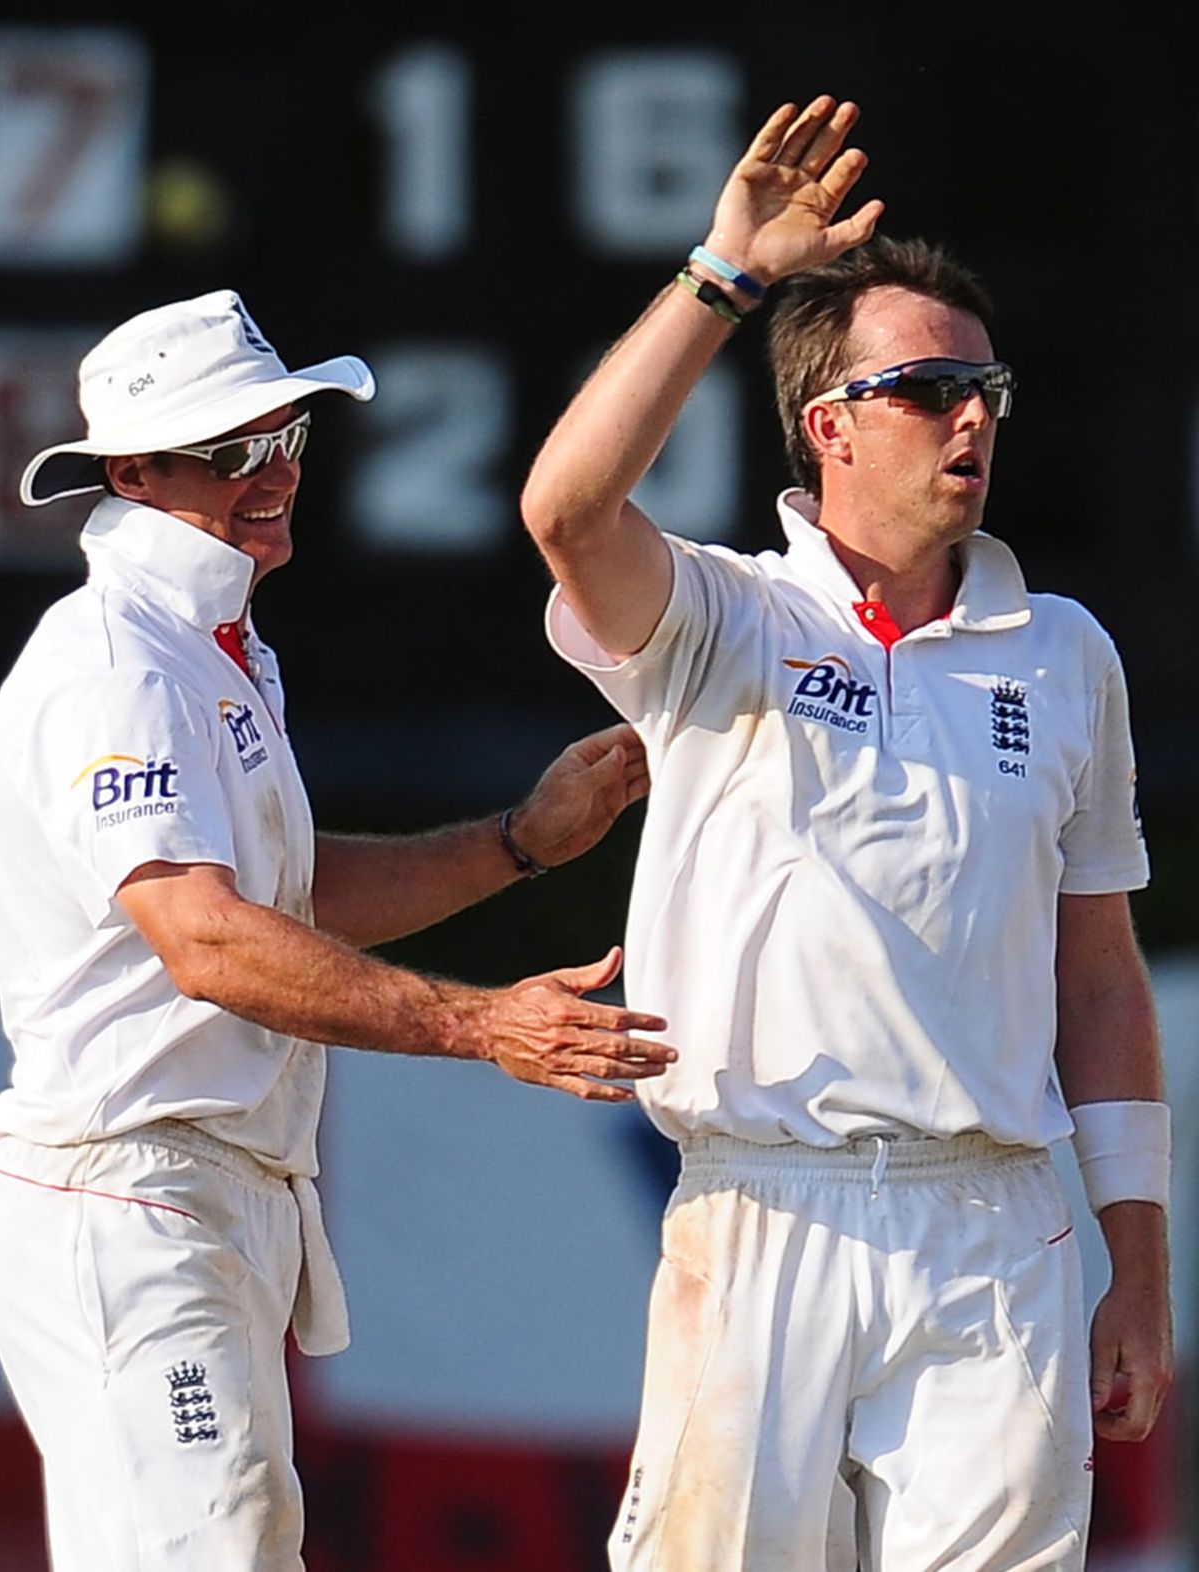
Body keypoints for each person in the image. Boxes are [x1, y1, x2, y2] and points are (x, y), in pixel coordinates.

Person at [520, 96, 1171, 1571]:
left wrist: (1138, 1267)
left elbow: (1098, 976)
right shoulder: (723, 614)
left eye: (986, 387)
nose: (972, 418)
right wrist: (722, 277)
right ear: (828, 427)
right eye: (927, 390)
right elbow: (565, 509)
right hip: (765, 1206)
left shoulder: (1064, 652)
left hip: (996, 1223)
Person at [0, 287, 675, 1572]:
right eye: (226, 450)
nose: (273, 471)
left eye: (283, 435)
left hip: (183, 1198)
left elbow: (278, 899)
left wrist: (517, 840)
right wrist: (485, 1026)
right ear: (130, 474)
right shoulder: (118, 661)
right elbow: (205, 940)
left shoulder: (209, 645)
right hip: (128, 1196)